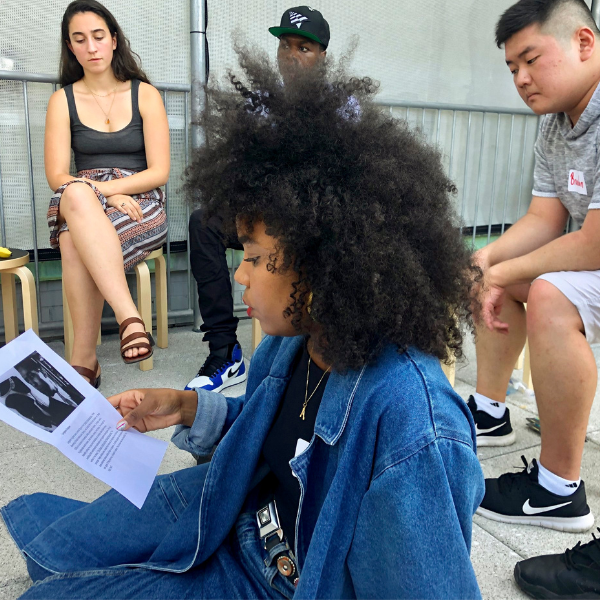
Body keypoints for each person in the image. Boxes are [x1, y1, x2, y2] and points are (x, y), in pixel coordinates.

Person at [1, 55, 484, 599]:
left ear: (325, 264)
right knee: (61, 545)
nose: (240, 274)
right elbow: (276, 434)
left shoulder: (412, 424)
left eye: (254, 256)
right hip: (232, 505)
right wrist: (186, 408)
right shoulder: (294, 343)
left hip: (277, 582)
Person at [469, 0, 600, 596]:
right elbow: (545, 218)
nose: (520, 79)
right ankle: (491, 412)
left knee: (547, 293)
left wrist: (511, 271)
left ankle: (559, 488)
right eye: (511, 67)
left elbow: (594, 243)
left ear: (583, 42)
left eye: (530, 59)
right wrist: (489, 260)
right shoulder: (557, 122)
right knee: (485, 268)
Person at [185, 6, 331, 393]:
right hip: (261, 213)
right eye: (285, 45)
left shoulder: (340, 105)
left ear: (323, 57)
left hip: (310, 218)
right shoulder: (259, 102)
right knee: (203, 222)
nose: (293, 54)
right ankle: (225, 352)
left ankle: (317, 350)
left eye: (305, 47)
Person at [45, 0, 170, 386]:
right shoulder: (62, 100)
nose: (92, 47)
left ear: (114, 40)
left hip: (140, 200)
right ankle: (129, 317)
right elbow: (57, 175)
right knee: (76, 197)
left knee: (71, 239)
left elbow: (159, 171)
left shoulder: (144, 94)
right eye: (80, 40)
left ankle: (83, 362)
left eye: (99, 36)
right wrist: (98, 194)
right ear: (71, 47)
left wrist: (107, 190)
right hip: (81, 197)